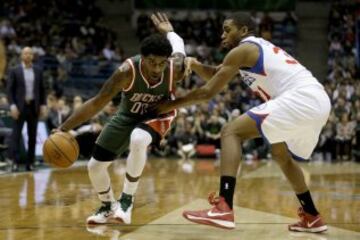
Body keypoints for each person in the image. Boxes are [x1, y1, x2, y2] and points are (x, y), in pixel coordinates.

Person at [155, 12, 331, 233]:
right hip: (317, 101)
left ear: (244, 30)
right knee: (281, 156)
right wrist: (196, 64)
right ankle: (312, 216)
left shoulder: (244, 50)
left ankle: (223, 206)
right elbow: (216, 74)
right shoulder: (251, 51)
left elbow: (208, 92)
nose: (222, 35)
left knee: (231, 132)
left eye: (228, 29)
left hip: (301, 98)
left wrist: (167, 106)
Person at [56, 13, 186, 225]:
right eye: (151, 62)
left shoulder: (176, 68)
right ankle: (108, 206)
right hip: (127, 115)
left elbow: (179, 46)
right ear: (142, 58)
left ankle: (127, 201)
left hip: (159, 114)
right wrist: (64, 127)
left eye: (161, 64)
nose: (156, 68)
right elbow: (98, 102)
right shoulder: (126, 71)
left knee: (138, 139)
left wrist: (169, 32)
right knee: (95, 167)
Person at [7, 47, 46, 172]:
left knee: (32, 136)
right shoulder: (14, 70)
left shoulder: (38, 70)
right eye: (25, 53)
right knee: (16, 136)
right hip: (19, 107)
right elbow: (9, 91)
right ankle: (14, 162)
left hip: (33, 106)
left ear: (33, 56)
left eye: (30, 53)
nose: (28, 55)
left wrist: (43, 105)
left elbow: (42, 89)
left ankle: (31, 163)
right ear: (21, 56)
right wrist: (12, 106)